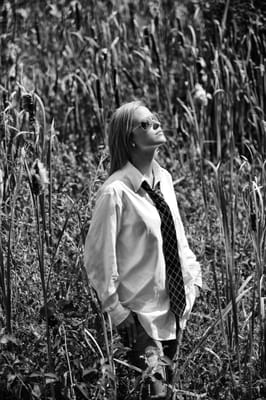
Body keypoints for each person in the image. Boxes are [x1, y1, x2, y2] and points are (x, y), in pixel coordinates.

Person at [84, 100, 202, 396]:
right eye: (145, 124)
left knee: (168, 393)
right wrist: (119, 314)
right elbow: (98, 260)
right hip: (141, 319)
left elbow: (177, 238)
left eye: (154, 119)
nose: (156, 124)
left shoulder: (164, 180)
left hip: (175, 312)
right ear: (130, 139)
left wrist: (194, 282)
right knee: (157, 395)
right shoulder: (115, 193)